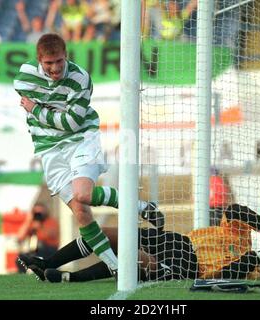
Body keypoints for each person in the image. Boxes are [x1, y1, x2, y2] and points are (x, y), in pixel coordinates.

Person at [13, 33, 158, 277]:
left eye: (59, 61)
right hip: (49, 149)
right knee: (81, 212)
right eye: (49, 63)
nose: (56, 68)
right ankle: (116, 267)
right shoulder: (24, 79)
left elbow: (71, 122)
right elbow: (51, 117)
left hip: (81, 139)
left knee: (83, 194)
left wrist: (36, 109)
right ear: (39, 60)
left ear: (65, 56)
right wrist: (44, 115)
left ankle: (141, 206)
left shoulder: (80, 79)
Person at [18, 203, 260, 283]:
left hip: (187, 268)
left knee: (135, 263)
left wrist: (258, 258)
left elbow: (233, 271)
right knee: (104, 233)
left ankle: (70, 278)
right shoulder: (241, 235)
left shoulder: (251, 271)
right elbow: (234, 211)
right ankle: (47, 264)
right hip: (178, 241)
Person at [16, 203, 59, 273]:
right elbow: (20, 237)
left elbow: (51, 234)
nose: (38, 214)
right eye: (36, 212)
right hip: (34, 250)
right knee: (20, 259)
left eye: (40, 212)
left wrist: (40, 227)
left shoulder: (50, 221)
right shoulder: (32, 222)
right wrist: (28, 221)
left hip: (48, 250)